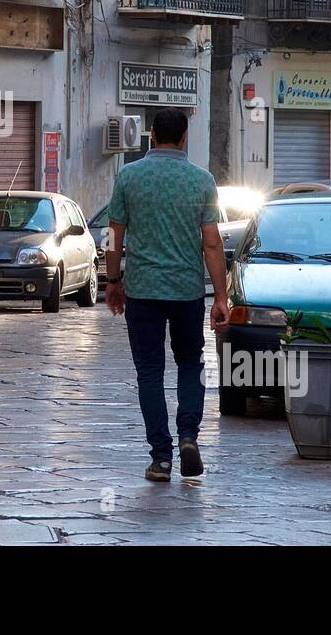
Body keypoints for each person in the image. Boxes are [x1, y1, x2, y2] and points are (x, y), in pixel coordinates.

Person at [104, 108, 230, 481]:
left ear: (152, 135)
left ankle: (161, 458)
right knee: (191, 363)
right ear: (185, 135)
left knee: (149, 371)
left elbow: (114, 235)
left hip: (142, 291)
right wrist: (221, 297)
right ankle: (189, 436)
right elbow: (212, 243)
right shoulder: (202, 181)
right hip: (187, 291)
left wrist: (112, 281)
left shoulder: (129, 176)